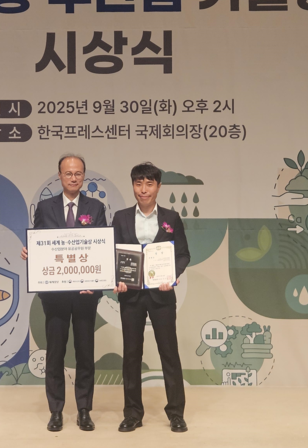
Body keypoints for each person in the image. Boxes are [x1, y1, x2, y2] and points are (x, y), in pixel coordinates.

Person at [21, 154, 106, 432]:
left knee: (85, 352)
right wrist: (30, 252)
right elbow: (39, 241)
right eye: (68, 173)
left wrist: (97, 278)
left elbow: (101, 247)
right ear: (59, 175)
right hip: (55, 294)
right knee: (55, 353)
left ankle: (84, 409)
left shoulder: (96, 207)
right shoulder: (45, 207)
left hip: (85, 293)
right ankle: (56, 411)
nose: (73, 178)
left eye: (78, 173)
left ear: (84, 176)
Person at [112, 162, 190, 433]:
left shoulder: (172, 217)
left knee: (169, 353)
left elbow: (183, 254)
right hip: (131, 296)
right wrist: (117, 279)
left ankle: (176, 413)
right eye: (138, 184)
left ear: (158, 186)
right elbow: (112, 254)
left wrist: (173, 275)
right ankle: (133, 413)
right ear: (133, 186)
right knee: (131, 355)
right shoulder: (120, 217)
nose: (143, 189)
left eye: (149, 184)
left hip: (162, 295)